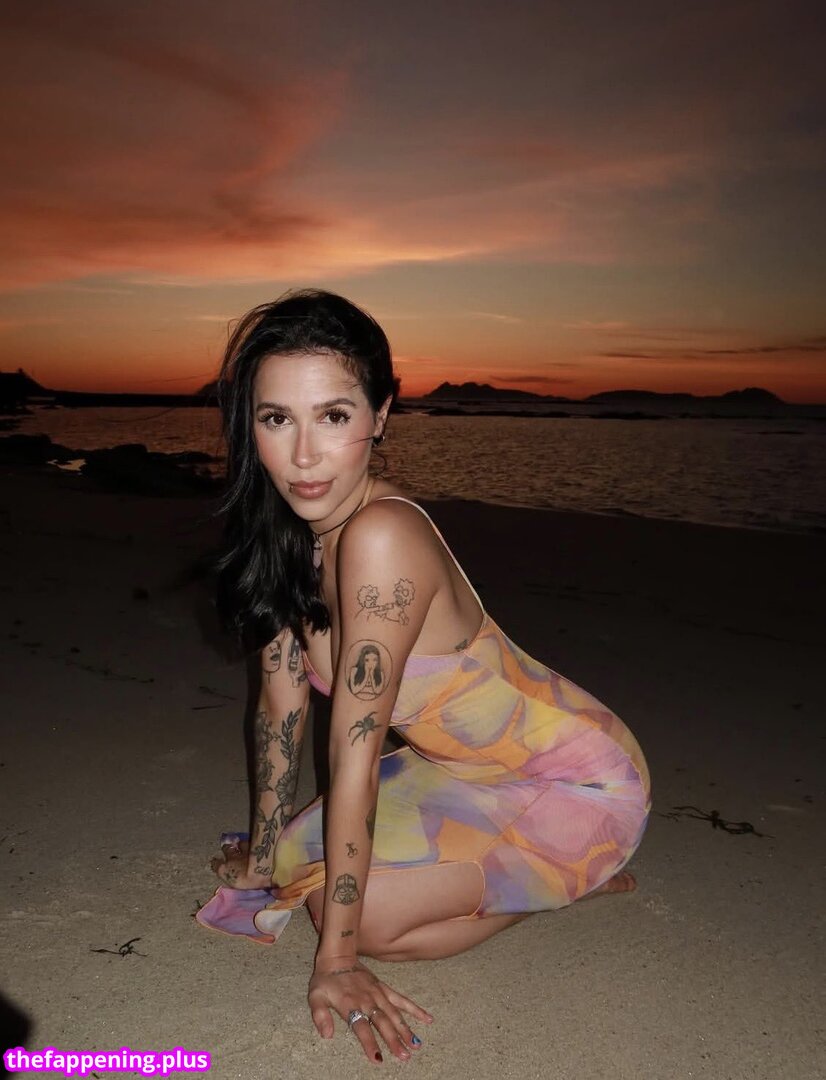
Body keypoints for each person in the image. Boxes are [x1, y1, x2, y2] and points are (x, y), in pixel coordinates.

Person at [199, 289, 650, 1065]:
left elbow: (353, 756)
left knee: (361, 920)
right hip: (462, 773)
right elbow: (279, 712)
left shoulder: (383, 538)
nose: (302, 456)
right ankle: (535, 872)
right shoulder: (286, 535)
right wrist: (264, 858)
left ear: (380, 415)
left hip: (579, 784)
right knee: (298, 864)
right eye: (276, 418)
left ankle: (563, 877)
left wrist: (339, 960)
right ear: (252, 424)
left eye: (332, 416)